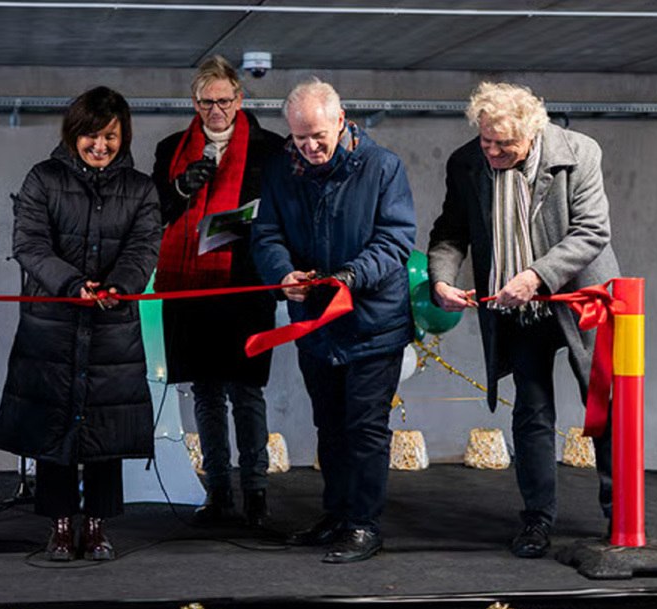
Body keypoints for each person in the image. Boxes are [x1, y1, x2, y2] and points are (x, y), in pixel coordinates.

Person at [427, 81, 617, 559]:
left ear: (533, 133)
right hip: (516, 304)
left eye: (503, 145)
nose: (491, 151)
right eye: (486, 140)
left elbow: (592, 230)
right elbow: (450, 232)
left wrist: (536, 274)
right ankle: (536, 520)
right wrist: (441, 279)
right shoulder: (467, 162)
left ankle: (621, 515)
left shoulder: (580, 153)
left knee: (607, 407)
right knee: (531, 411)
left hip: (581, 295)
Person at [0, 87, 161, 562]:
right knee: (53, 425)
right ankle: (61, 526)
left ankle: (99, 525)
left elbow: (144, 247)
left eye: (110, 136)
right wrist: (71, 285)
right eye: (91, 135)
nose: (100, 145)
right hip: (52, 324)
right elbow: (29, 243)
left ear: (123, 135)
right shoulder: (42, 179)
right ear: (73, 134)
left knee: (105, 428)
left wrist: (118, 287)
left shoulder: (142, 188)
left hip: (113, 325)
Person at [252, 79, 417, 563]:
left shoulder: (384, 167)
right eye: (300, 137)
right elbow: (266, 235)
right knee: (330, 426)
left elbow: (395, 241)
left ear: (341, 120)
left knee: (365, 428)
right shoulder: (282, 171)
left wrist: (348, 276)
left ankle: (364, 526)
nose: (310, 146)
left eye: (319, 135)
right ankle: (337, 515)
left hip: (373, 325)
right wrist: (283, 274)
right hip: (316, 327)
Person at [151, 56, 284, 527]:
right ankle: (219, 493)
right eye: (206, 103)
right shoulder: (172, 149)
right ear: (194, 102)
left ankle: (257, 493)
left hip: (246, 285)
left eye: (224, 101)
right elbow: (155, 214)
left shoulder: (271, 149)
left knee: (247, 392)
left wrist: (242, 227)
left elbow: (281, 214)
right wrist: (181, 189)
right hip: (190, 290)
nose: (216, 111)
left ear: (239, 100)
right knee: (205, 393)